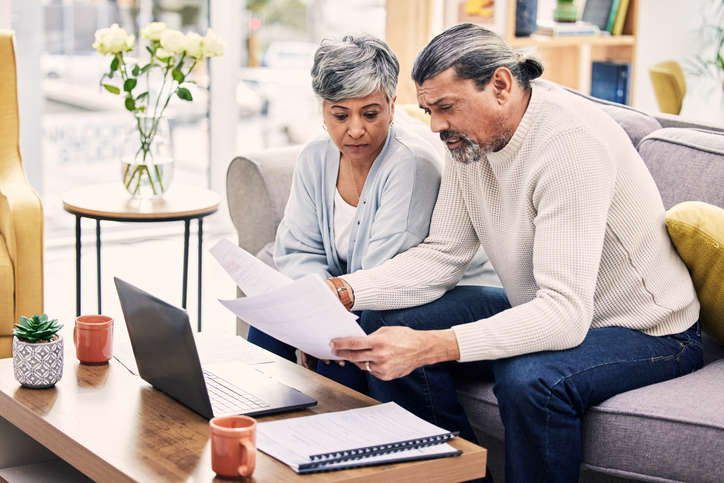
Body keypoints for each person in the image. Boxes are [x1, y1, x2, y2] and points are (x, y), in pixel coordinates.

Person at [326, 23, 703, 482]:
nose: (436, 126)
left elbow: (565, 314)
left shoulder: (569, 145)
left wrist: (433, 346)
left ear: (501, 85)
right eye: (428, 110)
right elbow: (443, 253)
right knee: (385, 320)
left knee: (530, 380)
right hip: (544, 305)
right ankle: (454, 477)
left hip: (649, 330)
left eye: (445, 107)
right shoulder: (469, 140)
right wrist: (344, 290)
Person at [247, 32, 497, 393]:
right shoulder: (315, 156)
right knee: (270, 321)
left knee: (351, 341)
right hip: (354, 296)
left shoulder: (411, 163)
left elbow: (382, 273)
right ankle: (251, 424)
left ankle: (334, 440)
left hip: (436, 297)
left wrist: (321, 314)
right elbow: (298, 250)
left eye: (370, 113)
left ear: (392, 107)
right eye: (340, 114)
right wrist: (311, 306)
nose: (355, 130)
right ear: (323, 110)